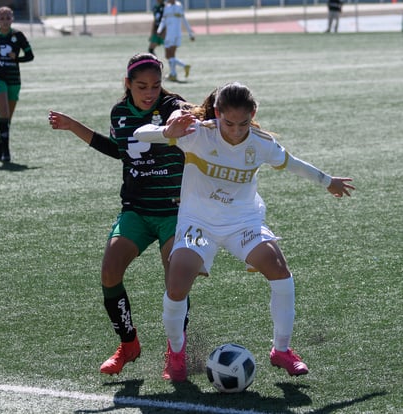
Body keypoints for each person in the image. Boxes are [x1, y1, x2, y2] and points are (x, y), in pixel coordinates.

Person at [134, 82, 355, 382]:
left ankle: (282, 350)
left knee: (279, 270)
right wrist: (167, 132)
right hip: (198, 225)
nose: (237, 130)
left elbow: (293, 164)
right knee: (176, 285)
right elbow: (139, 133)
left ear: (253, 114)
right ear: (216, 113)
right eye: (229, 123)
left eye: (243, 123)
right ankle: (175, 354)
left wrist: (328, 181)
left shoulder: (260, 143)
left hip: (243, 224)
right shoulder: (197, 133)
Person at [48, 53, 190, 376]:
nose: (150, 92)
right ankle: (129, 345)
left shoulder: (172, 106)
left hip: (174, 211)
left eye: (155, 85)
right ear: (128, 84)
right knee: (110, 272)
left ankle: (176, 351)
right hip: (137, 210)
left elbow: (182, 120)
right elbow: (117, 150)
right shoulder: (120, 113)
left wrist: (177, 123)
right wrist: (72, 126)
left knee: (176, 282)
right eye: (141, 86)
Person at [0, 6, 34, 163]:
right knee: (4, 112)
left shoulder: (18, 35)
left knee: (7, 117)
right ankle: (6, 151)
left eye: (8, 18)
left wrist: (16, 58)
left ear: (12, 19)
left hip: (13, 79)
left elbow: (30, 56)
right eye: (2, 18)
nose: (5, 21)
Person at [157, 0, 195, 82]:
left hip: (173, 34)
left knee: (170, 55)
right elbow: (164, 19)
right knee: (170, 56)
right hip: (172, 34)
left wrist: (190, 34)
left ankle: (176, 72)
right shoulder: (167, 6)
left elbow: (184, 20)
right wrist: (159, 29)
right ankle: (177, 71)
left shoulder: (178, 6)